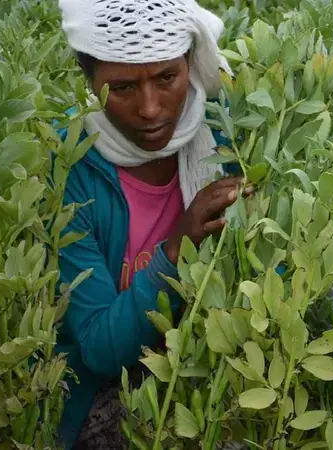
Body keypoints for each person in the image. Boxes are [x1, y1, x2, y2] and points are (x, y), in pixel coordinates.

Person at [54, 1, 249, 448]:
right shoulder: (68, 161)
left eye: (167, 78)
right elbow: (101, 350)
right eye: (122, 87)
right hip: (106, 389)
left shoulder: (227, 133)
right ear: (90, 81)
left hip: (207, 362)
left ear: (190, 65)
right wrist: (176, 248)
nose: (149, 108)